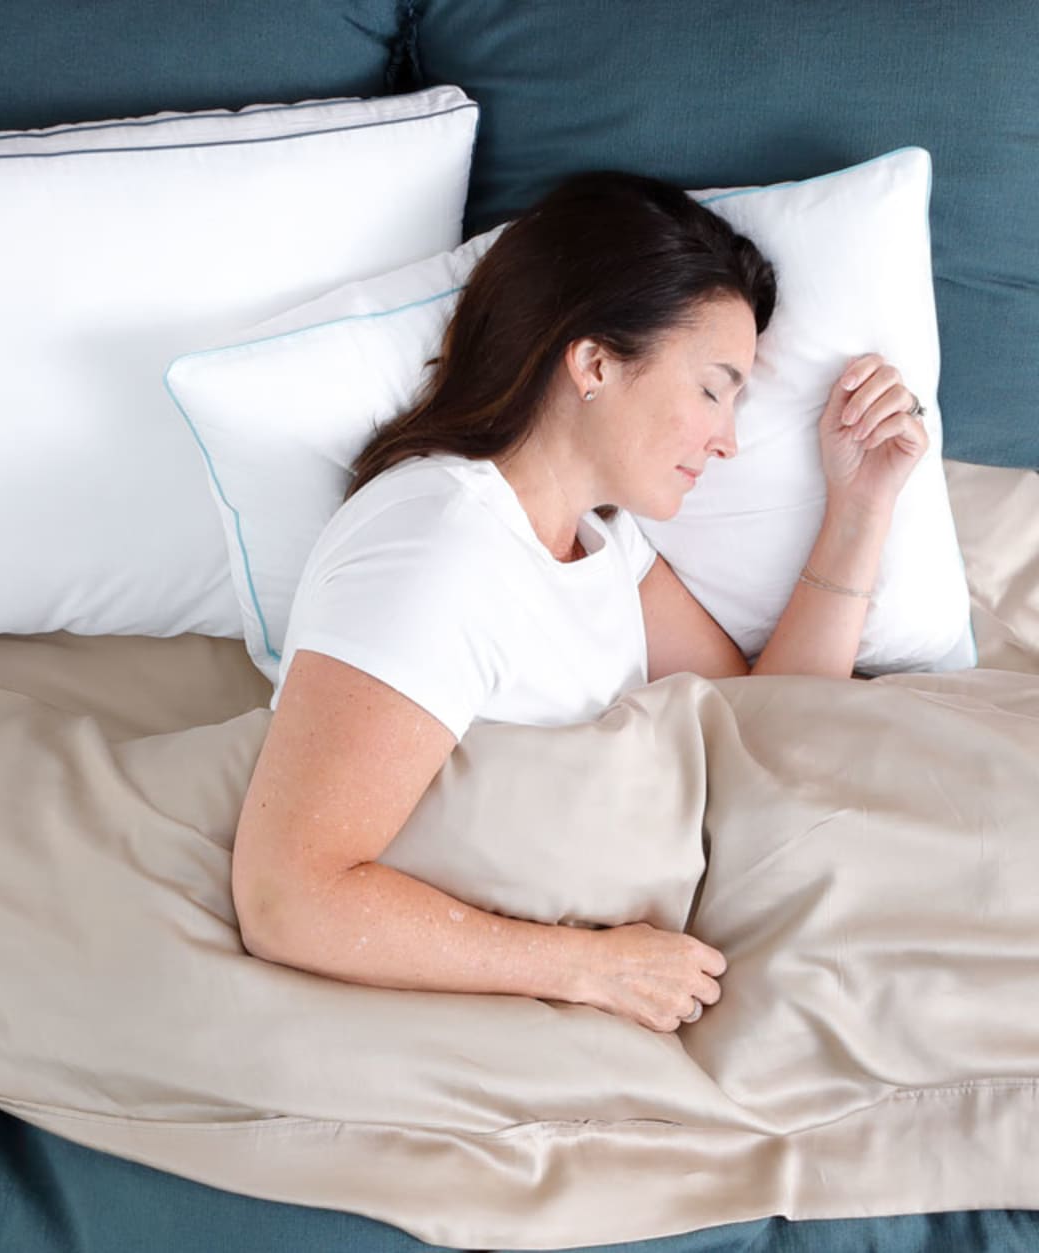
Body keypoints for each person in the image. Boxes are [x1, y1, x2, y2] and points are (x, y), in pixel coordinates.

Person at [229, 171, 930, 1034]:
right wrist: (593, 968)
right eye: (713, 388)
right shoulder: (438, 548)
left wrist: (861, 506)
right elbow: (288, 893)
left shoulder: (601, 540)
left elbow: (765, 723)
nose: (729, 437)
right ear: (594, 361)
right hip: (512, 996)